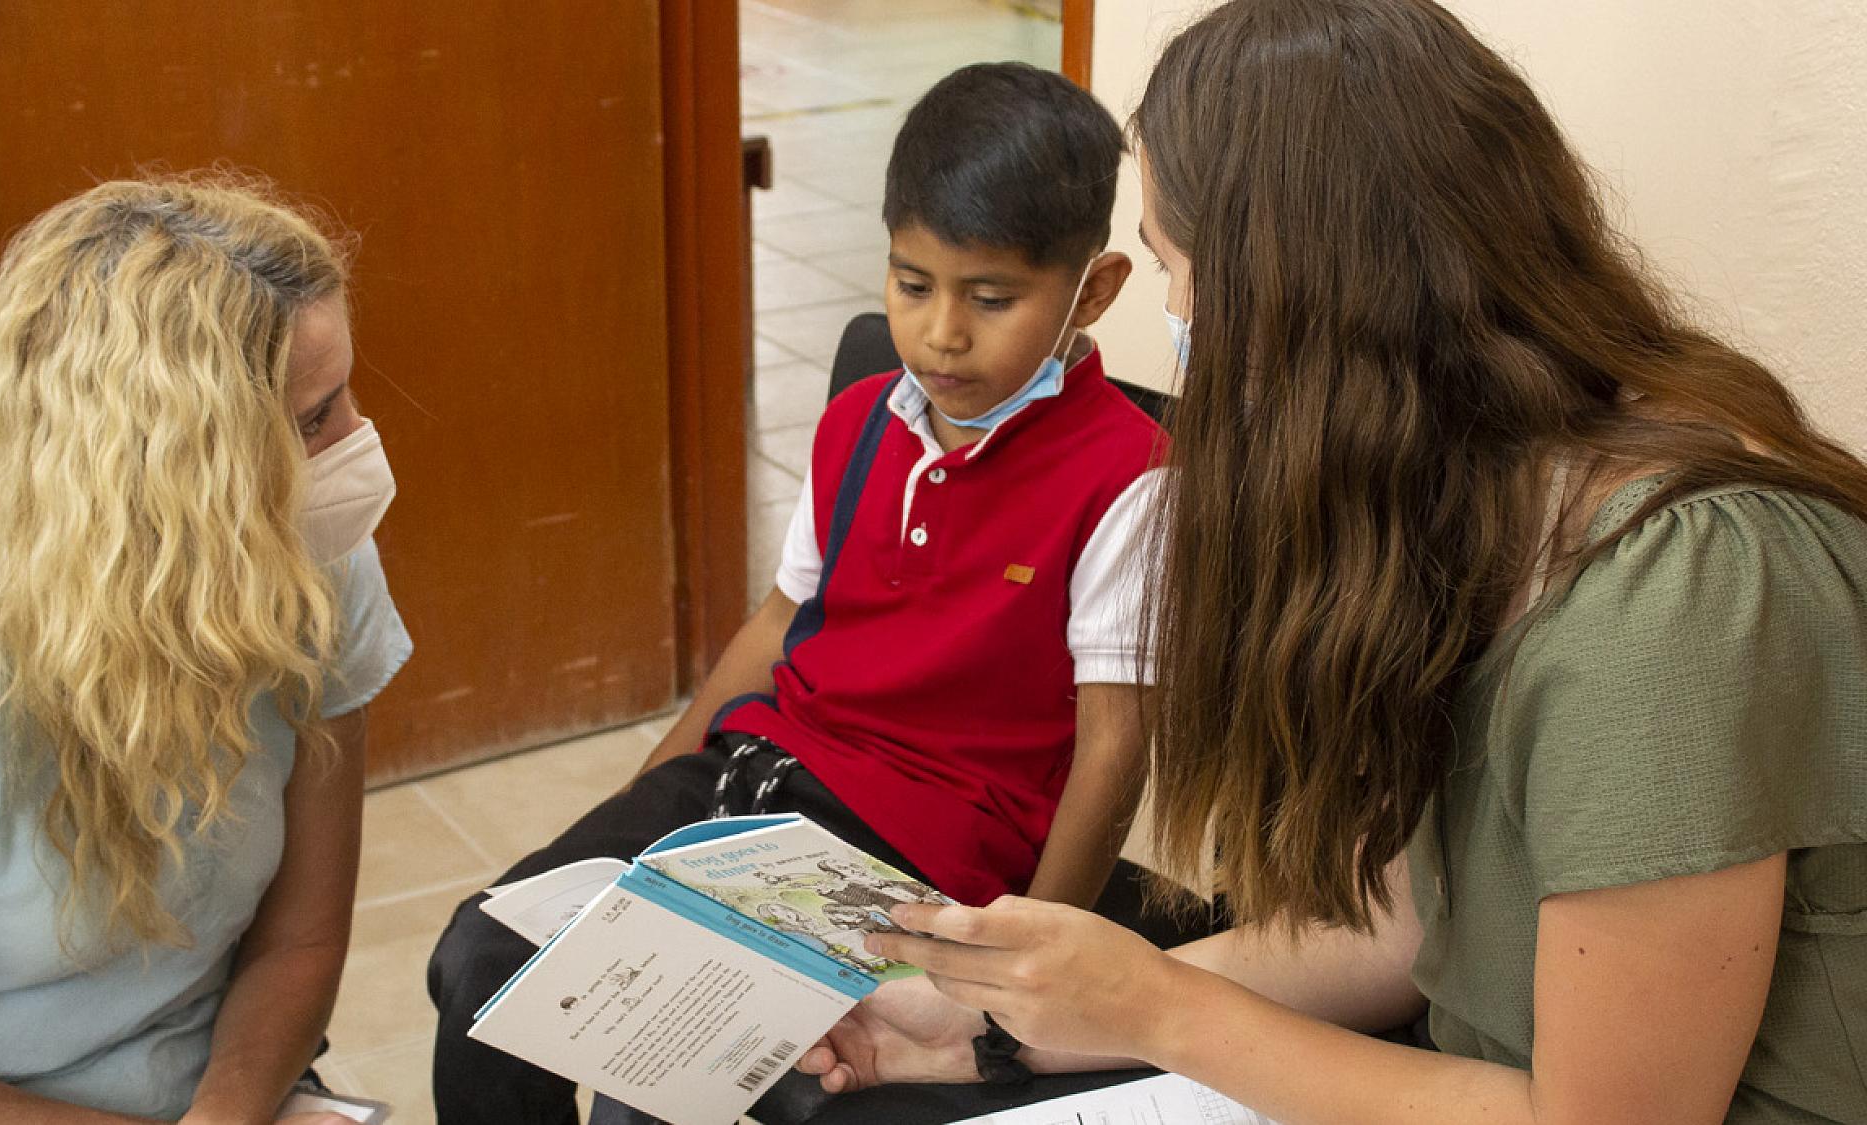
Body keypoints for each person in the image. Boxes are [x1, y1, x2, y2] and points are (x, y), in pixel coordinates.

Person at [795, 2, 1867, 1123]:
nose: (1176, 314)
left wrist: (1154, 1005)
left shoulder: (1676, 599)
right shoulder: (1463, 495)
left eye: (1177, 266)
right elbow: (1405, 928)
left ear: (1297, 284)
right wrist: (987, 1028)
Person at [427, 61, 1193, 1124]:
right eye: (912, 284)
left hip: (913, 854)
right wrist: (653, 786)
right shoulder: (860, 422)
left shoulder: (1127, 477)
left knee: (648, 1065)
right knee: (482, 958)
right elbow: (781, 622)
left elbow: (1114, 747)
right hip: (750, 783)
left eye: (990, 298)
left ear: (1092, 290)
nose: (940, 335)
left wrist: (1017, 973)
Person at [0, 178, 413, 1123]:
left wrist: (225, 1114)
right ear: (178, 476)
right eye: (316, 418)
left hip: (221, 1087)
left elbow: (300, 941)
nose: (358, 441)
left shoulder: (313, 565)